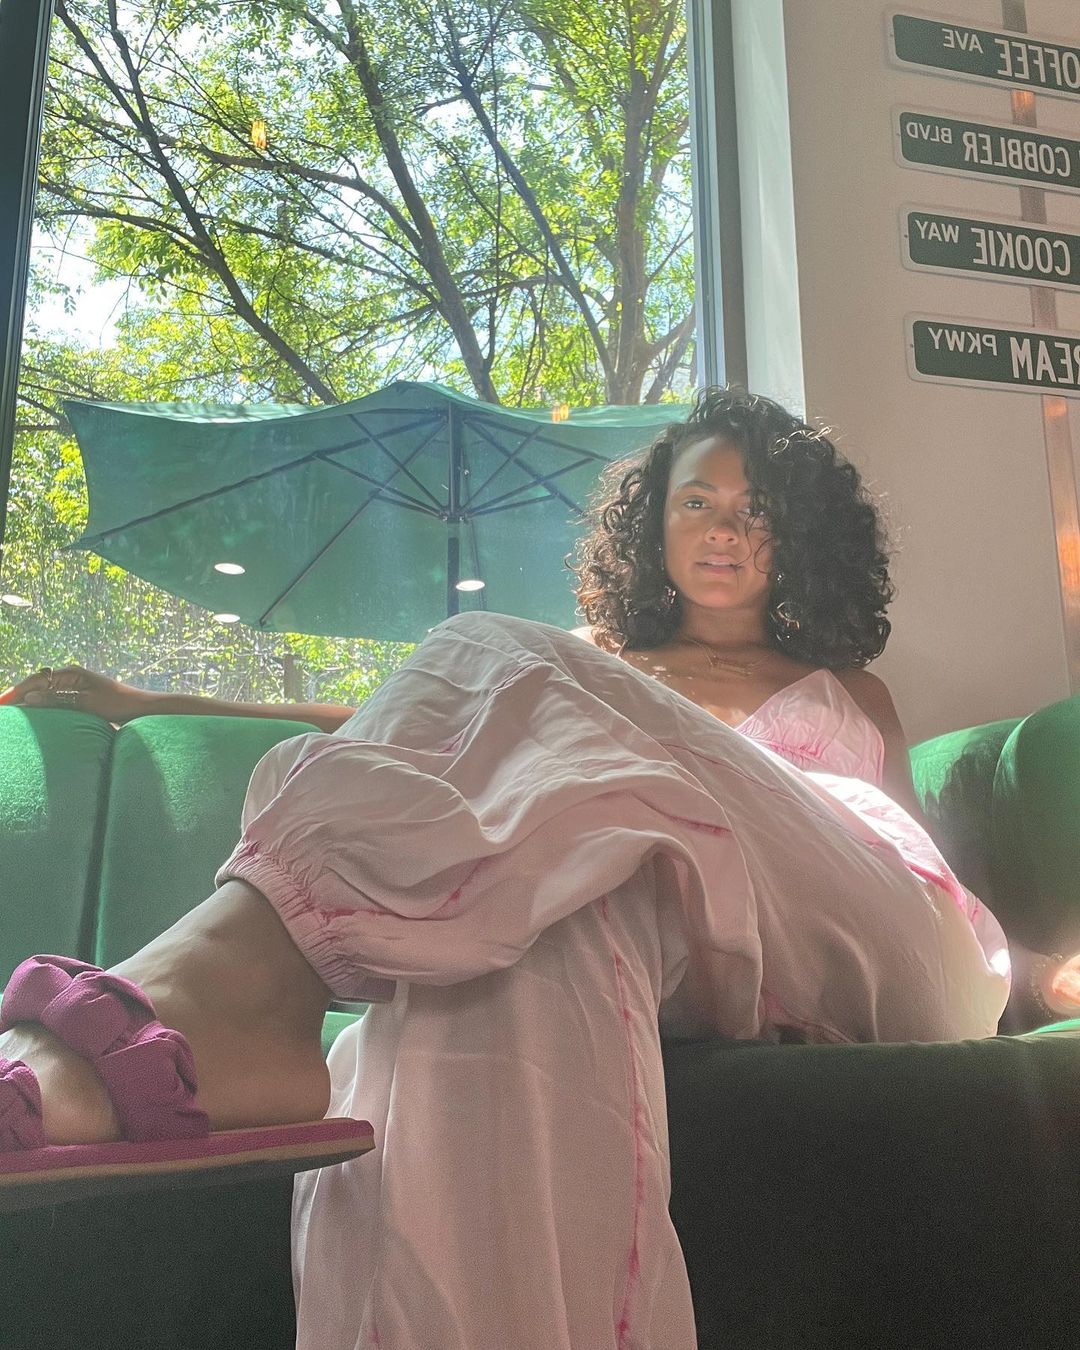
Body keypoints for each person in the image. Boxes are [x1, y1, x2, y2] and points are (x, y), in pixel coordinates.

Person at [0, 388, 1065, 1348]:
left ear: (800, 536)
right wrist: (149, 701)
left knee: (487, 653)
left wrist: (1037, 968)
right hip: (667, 918)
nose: (723, 530)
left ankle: (224, 990)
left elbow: (918, 867)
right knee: (531, 948)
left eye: (756, 510)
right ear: (654, 526)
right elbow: (374, 720)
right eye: (698, 502)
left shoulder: (850, 688)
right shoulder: (591, 663)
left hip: (875, 936)